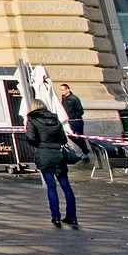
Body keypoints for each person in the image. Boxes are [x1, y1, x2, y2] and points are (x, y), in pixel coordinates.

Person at [24, 97, 79, 228]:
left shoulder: (33, 120)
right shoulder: (55, 120)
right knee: (66, 186)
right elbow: (63, 139)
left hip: (44, 154)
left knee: (51, 186)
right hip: (58, 154)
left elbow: (31, 138)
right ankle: (72, 216)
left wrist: (39, 143)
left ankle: (56, 216)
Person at [57, 83, 89, 154]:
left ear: (68, 90)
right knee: (70, 135)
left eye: (63, 90)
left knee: (79, 136)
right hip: (68, 120)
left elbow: (80, 111)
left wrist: (73, 116)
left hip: (76, 121)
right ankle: (84, 148)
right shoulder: (64, 97)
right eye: (61, 90)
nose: (61, 91)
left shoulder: (75, 99)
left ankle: (85, 151)